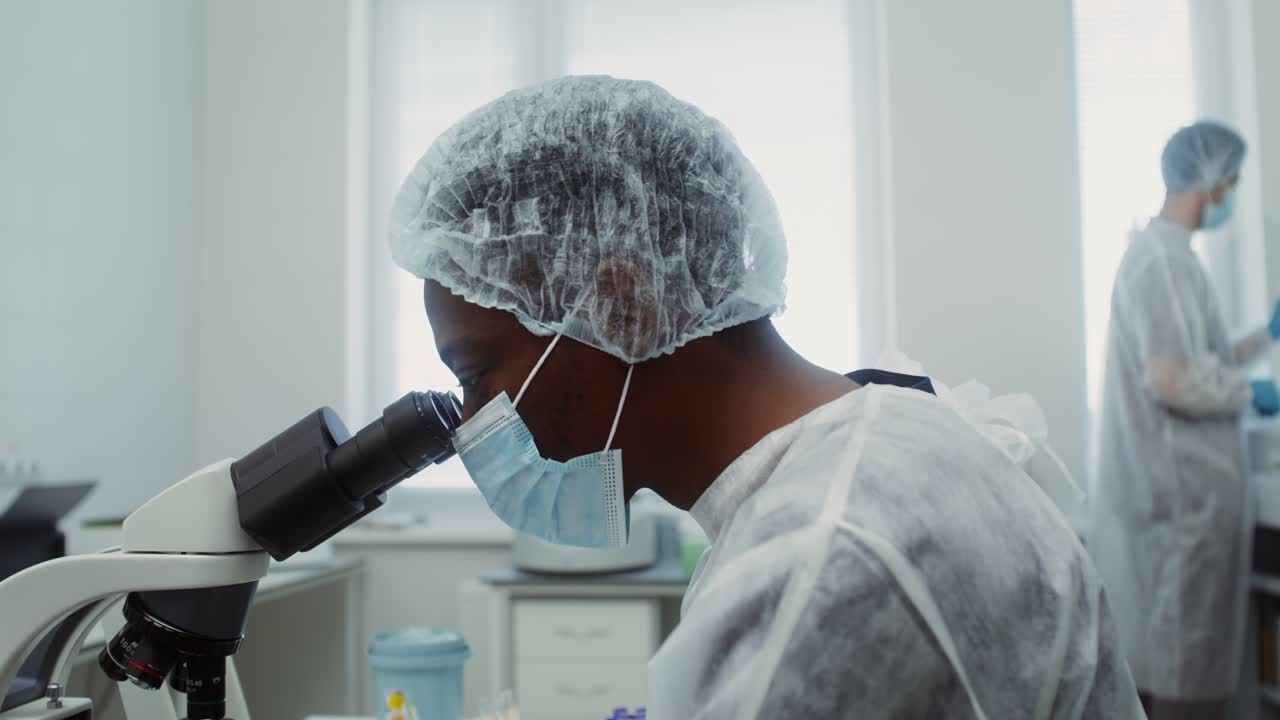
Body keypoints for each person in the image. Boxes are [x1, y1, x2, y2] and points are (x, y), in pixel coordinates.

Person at [390, 75, 1142, 718]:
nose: (471, 422)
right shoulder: (880, 443)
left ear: (621, 309)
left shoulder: (826, 557)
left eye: (475, 374)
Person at [1090, 121, 1280, 720]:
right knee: (1184, 670)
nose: (1232, 193)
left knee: (1170, 661)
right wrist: (1252, 391)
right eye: (1233, 180)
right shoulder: (1163, 262)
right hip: (1183, 505)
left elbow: (1199, 360)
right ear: (1210, 179)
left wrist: (1263, 339)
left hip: (1180, 503)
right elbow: (1172, 379)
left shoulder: (1166, 259)